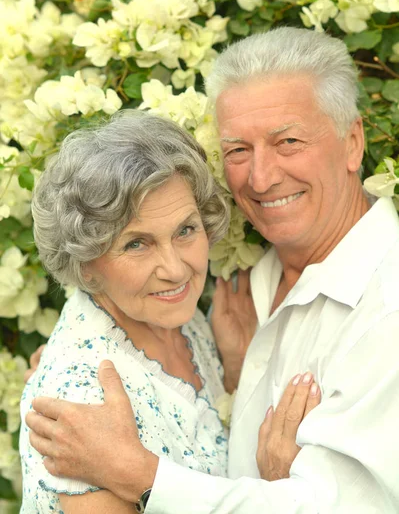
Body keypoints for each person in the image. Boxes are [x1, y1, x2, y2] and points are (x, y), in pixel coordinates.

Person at [27, 27, 399, 512]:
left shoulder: (385, 310)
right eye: (238, 150)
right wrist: (238, 377)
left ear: (353, 144)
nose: (261, 178)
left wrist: (139, 474)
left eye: (287, 141)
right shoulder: (235, 285)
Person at [22, 109, 319, 513]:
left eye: (185, 230)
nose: (177, 269)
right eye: (136, 244)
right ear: (86, 264)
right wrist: (276, 488)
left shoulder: (179, 319)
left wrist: (235, 371)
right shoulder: (85, 401)